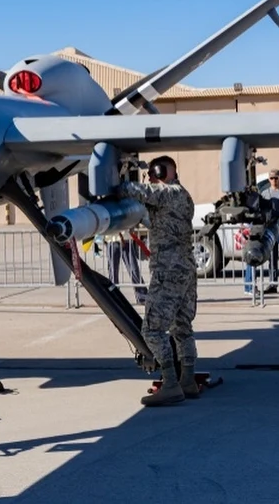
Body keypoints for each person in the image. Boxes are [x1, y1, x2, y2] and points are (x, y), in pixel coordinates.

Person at [117, 155, 198, 406]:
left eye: (151, 175)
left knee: (152, 330)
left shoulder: (167, 193)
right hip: (185, 270)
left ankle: (171, 384)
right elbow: (161, 220)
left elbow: (133, 190)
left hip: (168, 271)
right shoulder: (183, 196)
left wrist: (117, 178)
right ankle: (188, 380)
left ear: (159, 173)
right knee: (182, 328)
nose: (149, 179)